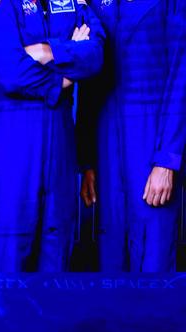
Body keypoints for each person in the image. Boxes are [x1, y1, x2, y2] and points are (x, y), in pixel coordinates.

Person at [0, 0, 105, 271]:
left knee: (57, 260)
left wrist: (45, 50)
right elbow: (10, 71)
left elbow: (95, 55)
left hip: (60, 147)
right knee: (8, 264)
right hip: (15, 146)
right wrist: (63, 76)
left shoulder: (71, 2)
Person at [79, 0, 185, 272]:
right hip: (106, 144)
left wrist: (167, 160)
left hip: (151, 138)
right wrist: (88, 160)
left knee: (153, 256)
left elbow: (181, 76)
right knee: (110, 254)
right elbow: (91, 83)